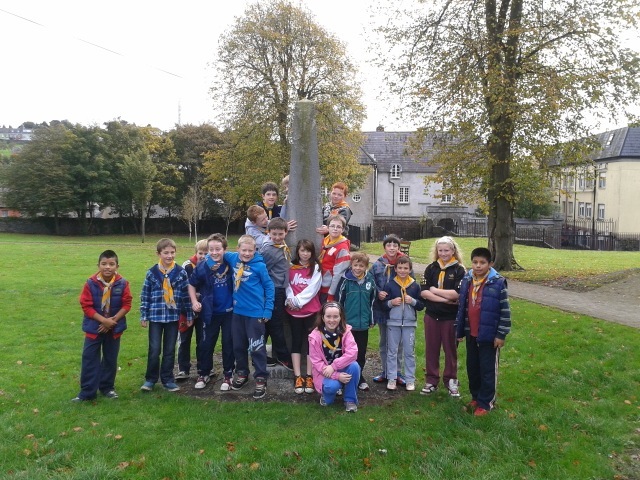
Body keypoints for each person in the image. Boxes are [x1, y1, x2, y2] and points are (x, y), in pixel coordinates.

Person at [455, 247, 511, 416]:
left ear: (490, 264)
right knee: (473, 368)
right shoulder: (467, 280)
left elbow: (505, 311)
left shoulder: (498, 283)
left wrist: (501, 334)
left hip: (489, 335)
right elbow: (462, 307)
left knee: (487, 370)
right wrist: (459, 331)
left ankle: (486, 402)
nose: (478, 266)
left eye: (482, 263)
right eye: (475, 262)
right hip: (471, 333)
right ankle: (476, 397)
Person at [73, 250, 132, 402]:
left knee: (110, 358)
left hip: (114, 328)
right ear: (98, 265)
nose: (107, 267)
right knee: (89, 358)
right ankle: (87, 392)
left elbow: (127, 304)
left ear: (117, 266)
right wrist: (103, 320)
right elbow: (86, 306)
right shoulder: (90, 283)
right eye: (104, 264)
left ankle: (107, 387)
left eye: (111, 264)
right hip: (94, 328)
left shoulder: (123, 283)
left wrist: (112, 321)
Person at [223, 235, 275, 399]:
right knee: (238, 345)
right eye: (243, 250)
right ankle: (242, 373)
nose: (246, 253)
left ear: (255, 250)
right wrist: (210, 262)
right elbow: (215, 253)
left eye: (250, 251)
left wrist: (268, 310)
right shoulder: (232, 258)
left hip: (255, 313)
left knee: (256, 347)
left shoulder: (260, 266)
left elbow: (269, 287)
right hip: (238, 312)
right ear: (237, 249)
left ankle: (261, 378)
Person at [140, 238, 193, 392]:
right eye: (166, 253)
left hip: (172, 317)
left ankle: (168, 379)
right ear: (159, 254)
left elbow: (185, 296)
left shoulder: (181, 273)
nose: (169, 256)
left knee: (169, 350)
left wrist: (189, 315)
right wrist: (144, 315)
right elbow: (145, 295)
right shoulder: (151, 273)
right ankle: (150, 379)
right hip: (155, 317)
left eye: (172, 252)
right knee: (154, 349)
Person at [419, 236, 466, 397]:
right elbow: (424, 292)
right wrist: (445, 299)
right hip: (432, 315)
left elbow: (457, 294)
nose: (443, 253)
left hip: (450, 317)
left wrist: (435, 290)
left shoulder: (459, 270)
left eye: (447, 250)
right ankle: (431, 380)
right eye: (440, 250)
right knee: (431, 349)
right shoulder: (431, 268)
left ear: (453, 251)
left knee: (450, 350)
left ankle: (451, 380)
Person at [188, 234, 235, 391]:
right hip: (210, 312)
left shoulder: (231, 263)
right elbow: (191, 284)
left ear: (224, 250)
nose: (214, 252)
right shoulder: (202, 266)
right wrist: (194, 301)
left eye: (218, 249)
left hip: (229, 312)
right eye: (211, 249)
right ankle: (204, 373)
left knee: (228, 343)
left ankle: (228, 374)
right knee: (206, 344)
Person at [285, 239, 322, 394]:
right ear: (298, 252)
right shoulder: (291, 267)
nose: (305, 254)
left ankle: (309, 375)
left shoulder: (316, 267)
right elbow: (287, 285)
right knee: (296, 341)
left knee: (311, 343)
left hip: (310, 311)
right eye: (302, 250)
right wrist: (291, 300)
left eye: (308, 251)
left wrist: (298, 302)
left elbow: (313, 288)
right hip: (293, 312)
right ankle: (298, 376)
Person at [308, 302, 360, 412]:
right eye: (328, 316)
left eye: (336, 316)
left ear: (341, 317)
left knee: (354, 366)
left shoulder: (346, 331)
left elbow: (353, 353)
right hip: (324, 372)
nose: (332, 320)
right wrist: (337, 375)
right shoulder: (314, 337)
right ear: (323, 317)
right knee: (332, 387)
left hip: (339, 367)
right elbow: (317, 363)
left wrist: (334, 366)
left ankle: (350, 400)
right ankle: (327, 396)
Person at [335, 252, 376, 391]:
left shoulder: (370, 280)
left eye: (361, 266)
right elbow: (339, 302)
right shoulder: (345, 280)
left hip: (363, 324)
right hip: (348, 325)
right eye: (355, 265)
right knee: (345, 352)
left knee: (360, 352)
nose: (358, 268)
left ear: (366, 267)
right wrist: (340, 321)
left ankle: (359, 377)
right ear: (351, 265)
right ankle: (341, 379)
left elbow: (372, 301)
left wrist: (371, 319)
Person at [382, 256, 424, 391]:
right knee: (392, 351)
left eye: (406, 268)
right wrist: (391, 303)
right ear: (395, 269)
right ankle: (392, 378)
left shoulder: (415, 286)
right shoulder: (390, 285)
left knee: (409, 352)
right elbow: (383, 304)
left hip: (409, 324)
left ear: (410, 270)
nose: (402, 270)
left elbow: (421, 305)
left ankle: (410, 379)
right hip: (393, 323)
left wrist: (413, 301)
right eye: (400, 268)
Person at [371, 235, 408, 385]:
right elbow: (371, 282)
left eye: (395, 245)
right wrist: (378, 292)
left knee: (398, 343)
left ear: (398, 247)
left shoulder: (404, 263)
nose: (392, 248)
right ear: (384, 247)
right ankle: (386, 371)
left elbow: (411, 283)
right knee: (384, 341)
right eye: (389, 245)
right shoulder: (378, 265)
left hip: (399, 308)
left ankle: (397, 372)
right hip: (382, 309)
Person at [259, 217, 294, 370]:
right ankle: (283, 356)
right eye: (274, 234)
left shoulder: (281, 245)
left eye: (281, 234)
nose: (277, 237)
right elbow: (262, 270)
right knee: (275, 324)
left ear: (286, 232)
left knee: (270, 324)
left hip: (281, 288)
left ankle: (259, 354)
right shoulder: (269, 250)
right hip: (274, 290)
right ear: (269, 233)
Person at [176, 239, 208, 382]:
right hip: (186, 309)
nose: (203, 256)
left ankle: (203, 367)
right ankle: (183, 368)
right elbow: (183, 286)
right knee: (184, 339)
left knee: (203, 339)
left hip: (203, 309)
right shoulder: (187, 266)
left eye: (206, 253)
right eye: (200, 253)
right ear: (196, 253)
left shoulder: (211, 266)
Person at [318, 214, 351, 302]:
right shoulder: (325, 241)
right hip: (319, 286)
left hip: (329, 290)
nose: (335, 229)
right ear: (328, 227)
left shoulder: (342, 248)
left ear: (342, 230)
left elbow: (338, 274)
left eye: (338, 227)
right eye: (332, 226)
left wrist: (331, 295)